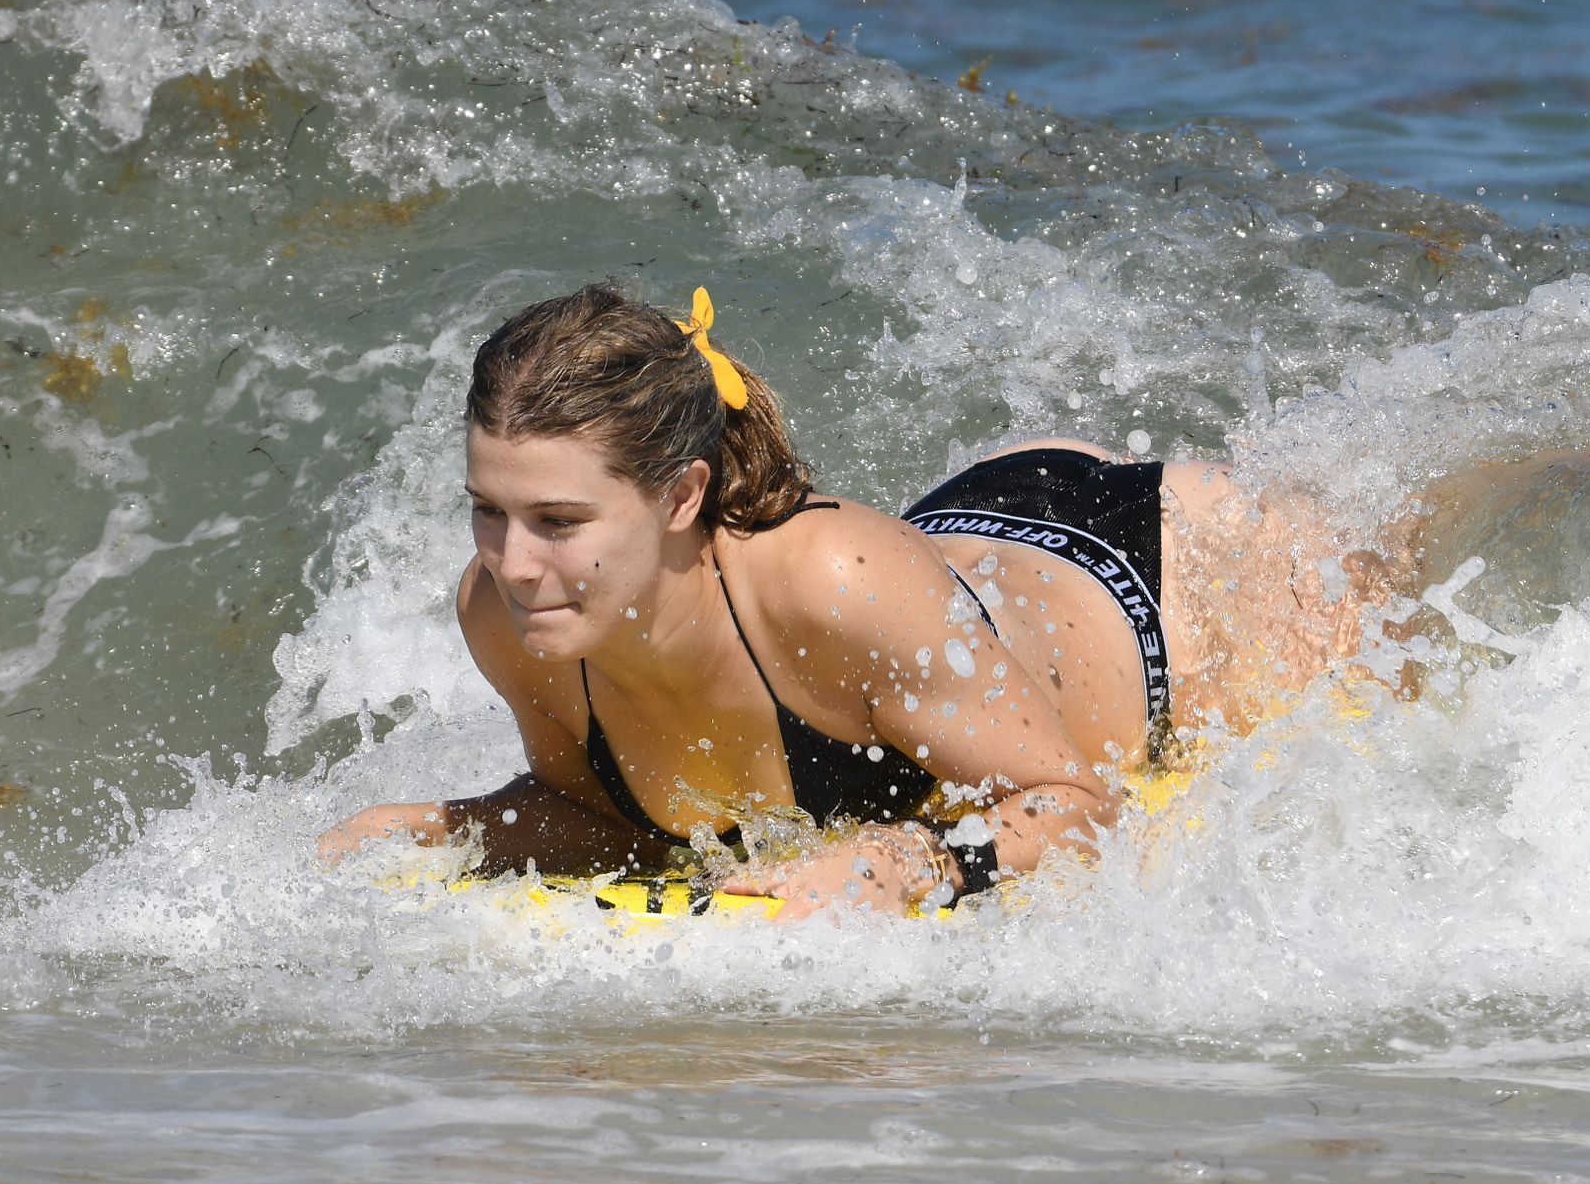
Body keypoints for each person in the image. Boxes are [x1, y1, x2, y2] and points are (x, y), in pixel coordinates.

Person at [315, 282, 1379, 915]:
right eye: (488, 513)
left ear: (683, 494)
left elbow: (1081, 810)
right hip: (963, 545)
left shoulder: (828, 588)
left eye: (558, 522)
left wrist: (910, 860)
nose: (513, 560)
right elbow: (619, 827)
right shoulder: (510, 618)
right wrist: (449, 828)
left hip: (1169, 580)